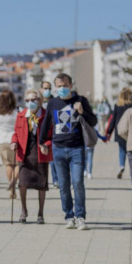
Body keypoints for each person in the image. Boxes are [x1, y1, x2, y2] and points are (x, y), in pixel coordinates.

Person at [39, 73, 98, 230]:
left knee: (78, 182)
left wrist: (82, 111)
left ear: (71, 85)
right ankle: (69, 216)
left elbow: (94, 121)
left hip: (77, 148)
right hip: (58, 148)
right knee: (64, 186)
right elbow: (45, 124)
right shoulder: (52, 103)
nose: (62, 88)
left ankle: (80, 216)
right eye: (59, 86)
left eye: (65, 85)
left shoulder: (81, 100)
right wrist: (41, 142)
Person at [11, 90, 52, 224]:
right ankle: (24, 210)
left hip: (40, 152)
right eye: (28, 100)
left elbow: (51, 135)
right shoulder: (21, 115)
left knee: (41, 184)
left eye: (34, 99)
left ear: (39, 101)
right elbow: (16, 132)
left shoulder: (46, 115)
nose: (31, 102)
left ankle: (41, 213)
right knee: (22, 183)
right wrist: (13, 141)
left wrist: (46, 144)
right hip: (24, 153)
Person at [0, 90, 17, 197]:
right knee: (18, 164)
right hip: (14, 140)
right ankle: (14, 182)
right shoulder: (16, 111)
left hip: (1, 140)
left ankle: (11, 186)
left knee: (8, 164)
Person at [106, 88, 132, 179]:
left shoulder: (117, 105)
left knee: (122, 150)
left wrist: (109, 132)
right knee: (130, 151)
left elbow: (113, 120)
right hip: (130, 131)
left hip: (119, 132)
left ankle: (122, 166)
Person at [40, 80, 58, 188]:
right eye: (45, 88)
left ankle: (56, 180)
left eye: (49, 88)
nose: (48, 90)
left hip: (53, 132)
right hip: (41, 133)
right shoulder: (37, 101)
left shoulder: (54, 101)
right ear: (41, 89)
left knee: (53, 159)